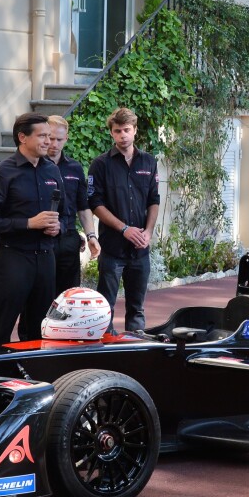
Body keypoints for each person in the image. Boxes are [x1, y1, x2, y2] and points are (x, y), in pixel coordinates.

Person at [0, 112, 62, 345]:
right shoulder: (2, 172)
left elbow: (64, 214)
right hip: (13, 258)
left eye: (50, 136)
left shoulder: (52, 170)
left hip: (46, 259)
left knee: (41, 328)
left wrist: (59, 227)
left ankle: (35, 376)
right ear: (22, 137)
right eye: (42, 136)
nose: (48, 141)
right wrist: (28, 223)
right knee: (1, 327)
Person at [88, 107, 160, 333]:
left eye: (127, 130)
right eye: (117, 131)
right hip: (112, 250)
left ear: (135, 130)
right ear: (111, 133)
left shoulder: (149, 162)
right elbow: (95, 204)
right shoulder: (100, 165)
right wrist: (124, 229)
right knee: (104, 309)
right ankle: (105, 354)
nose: (122, 135)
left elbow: (154, 200)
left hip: (140, 251)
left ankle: (135, 350)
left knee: (137, 309)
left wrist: (148, 232)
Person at [46, 115, 101, 294]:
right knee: (41, 297)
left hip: (68, 238)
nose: (54, 143)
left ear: (66, 138)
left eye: (59, 139)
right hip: (42, 239)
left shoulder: (74, 168)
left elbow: (83, 206)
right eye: (50, 138)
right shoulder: (34, 166)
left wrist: (91, 235)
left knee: (69, 295)